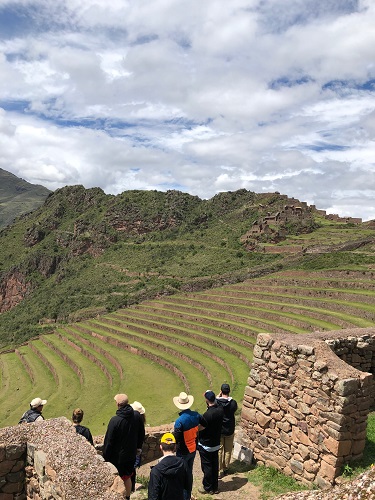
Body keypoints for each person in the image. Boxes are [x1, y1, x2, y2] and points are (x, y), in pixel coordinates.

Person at [103, 394, 144, 500]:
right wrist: (138, 448)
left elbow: (108, 442)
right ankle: (127, 497)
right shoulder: (136, 415)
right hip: (131, 454)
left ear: (117, 404)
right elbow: (141, 433)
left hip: (117, 458)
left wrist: (106, 458)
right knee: (128, 476)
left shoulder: (115, 421)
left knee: (117, 479)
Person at [173, 391, 204, 500]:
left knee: (182, 475)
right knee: (189, 472)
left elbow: (177, 438)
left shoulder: (179, 421)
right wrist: (195, 431)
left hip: (183, 451)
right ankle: (188, 495)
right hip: (193, 448)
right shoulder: (196, 415)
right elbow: (205, 424)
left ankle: (184, 497)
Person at [197, 390, 224, 495]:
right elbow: (217, 401)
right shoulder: (220, 410)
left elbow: (201, 428)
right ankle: (215, 487)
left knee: (207, 466)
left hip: (206, 444)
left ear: (207, 401)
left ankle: (208, 488)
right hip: (216, 443)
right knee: (214, 464)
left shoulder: (207, 415)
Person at [148, 432, 189, 500]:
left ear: (160, 447)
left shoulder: (156, 471)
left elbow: (153, 496)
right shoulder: (183, 464)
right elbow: (188, 485)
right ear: (175, 447)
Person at [216, 383, 238, 477]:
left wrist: (217, 396)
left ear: (221, 391)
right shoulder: (233, 403)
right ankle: (226, 468)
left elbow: (211, 404)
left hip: (220, 429)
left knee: (219, 450)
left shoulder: (217, 402)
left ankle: (218, 470)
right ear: (229, 391)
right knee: (228, 450)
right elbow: (234, 410)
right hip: (229, 429)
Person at [130, 401, 146, 493]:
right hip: (138, 449)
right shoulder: (141, 422)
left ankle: (130, 488)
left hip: (132, 448)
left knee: (130, 469)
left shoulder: (133, 421)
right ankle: (132, 488)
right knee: (133, 469)